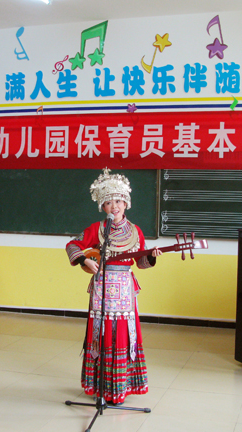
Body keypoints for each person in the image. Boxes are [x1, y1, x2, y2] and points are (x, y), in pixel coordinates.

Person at [65, 168, 161, 405]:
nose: (114, 206)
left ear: (126, 203)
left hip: (125, 290)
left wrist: (152, 256)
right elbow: (72, 245)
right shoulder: (97, 229)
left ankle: (120, 388)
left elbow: (141, 263)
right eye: (108, 202)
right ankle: (100, 386)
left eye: (118, 201)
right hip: (101, 289)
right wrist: (84, 260)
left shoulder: (136, 231)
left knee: (123, 336)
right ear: (103, 207)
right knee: (101, 334)